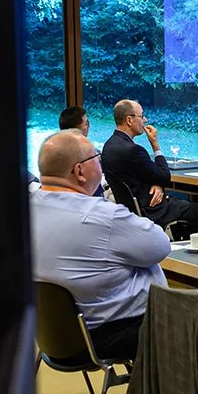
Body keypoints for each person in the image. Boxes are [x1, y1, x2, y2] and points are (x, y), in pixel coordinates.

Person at [30, 130, 170, 363]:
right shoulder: (102, 216)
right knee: (196, 320)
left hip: (52, 337)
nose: (101, 163)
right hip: (109, 333)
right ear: (79, 171)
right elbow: (160, 245)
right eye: (97, 156)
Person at [101, 99, 198, 235]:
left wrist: (157, 184)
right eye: (141, 116)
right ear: (129, 120)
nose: (145, 120)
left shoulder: (109, 146)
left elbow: (146, 175)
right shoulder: (134, 150)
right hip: (151, 209)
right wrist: (155, 145)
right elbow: (165, 177)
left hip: (130, 209)